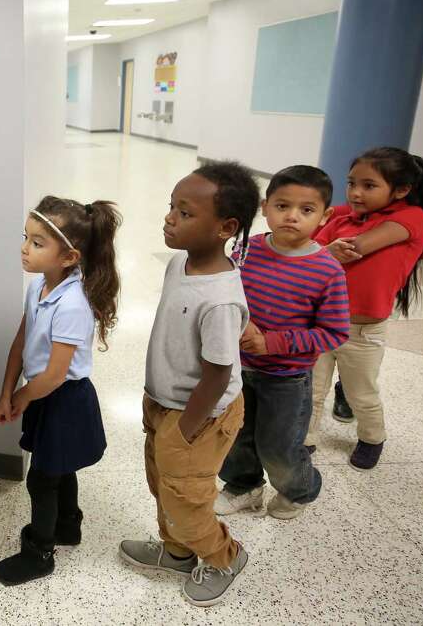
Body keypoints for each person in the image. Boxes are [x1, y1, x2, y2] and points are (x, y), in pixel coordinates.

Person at [119, 161, 258, 607]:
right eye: (171, 208)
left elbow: (218, 373)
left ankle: (223, 557)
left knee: (187, 497)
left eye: (184, 213)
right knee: (163, 484)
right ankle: (178, 552)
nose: (169, 219)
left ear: (226, 227)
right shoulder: (181, 263)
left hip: (197, 413)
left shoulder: (220, 299)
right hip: (164, 401)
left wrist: (185, 428)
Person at [0, 196, 121, 586]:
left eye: (37, 243)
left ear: (68, 257)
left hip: (63, 399)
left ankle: (40, 552)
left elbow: (55, 375)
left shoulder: (73, 305)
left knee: (43, 478)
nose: (24, 248)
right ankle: (68, 526)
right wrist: (5, 392)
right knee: (58, 468)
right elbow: (21, 340)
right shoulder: (38, 288)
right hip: (41, 392)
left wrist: (22, 397)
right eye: (26, 238)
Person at [215, 166, 349, 520]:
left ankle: (299, 490)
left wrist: (272, 342)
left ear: (325, 215)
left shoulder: (327, 270)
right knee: (235, 436)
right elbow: (228, 292)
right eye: (282, 206)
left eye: (307, 210)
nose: (292, 216)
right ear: (265, 206)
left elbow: (334, 332)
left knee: (279, 446)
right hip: (237, 368)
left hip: (287, 377)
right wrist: (241, 319)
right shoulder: (244, 250)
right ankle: (244, 486)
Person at [306, 147, 423, 470]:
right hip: (319, 322)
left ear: (402, 189)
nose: (356, 193)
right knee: (308, 389)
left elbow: (354, 248)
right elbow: (303, 246)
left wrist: (325, 242)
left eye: (369, 185)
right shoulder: (343, 216)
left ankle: (372, 438)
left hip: (362, 332)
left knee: (361, 394)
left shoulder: (412, 217)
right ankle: (303, 438)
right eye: (351, 183)